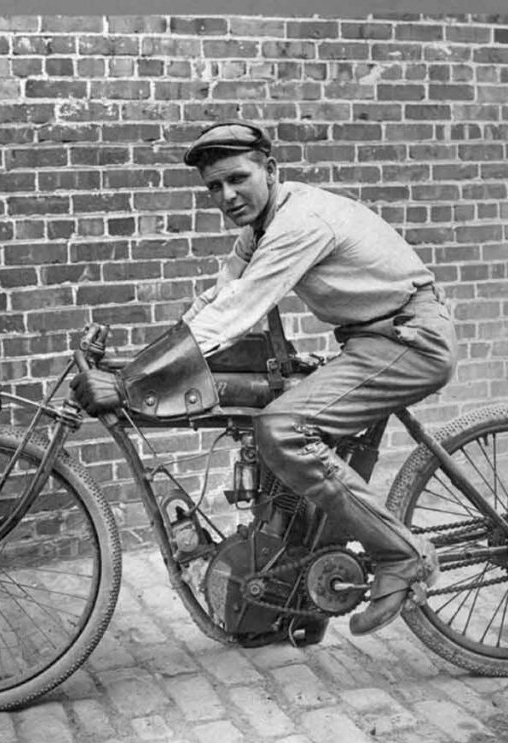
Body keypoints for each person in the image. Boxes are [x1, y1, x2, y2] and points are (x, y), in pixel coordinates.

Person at [71, 121, 457, 636]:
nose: (227, 196)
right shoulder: (256, 232)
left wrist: (128, 385)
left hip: (410, 341)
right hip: (371, 341)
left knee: (283, 428)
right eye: (214, 187)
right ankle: (293, 586)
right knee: (273, 417)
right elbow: (215, 304)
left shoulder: (300, 222)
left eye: (237, 179)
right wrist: (132, 366)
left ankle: (402, 556)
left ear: (270, 170)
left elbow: (239, 310)